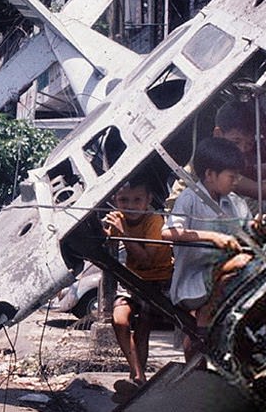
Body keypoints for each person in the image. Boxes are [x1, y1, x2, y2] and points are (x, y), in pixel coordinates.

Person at [163, 138, 255, 360]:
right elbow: (167, 233)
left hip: (221, 281)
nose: (237, 181)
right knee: (237, 264)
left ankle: (197, 366)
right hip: (191, 284)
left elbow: (249, 232)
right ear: (210, 175)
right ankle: (204, 316)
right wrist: (212, 237)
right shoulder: (190, 198)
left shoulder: (235, 202)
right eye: (231, 176)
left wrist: (256, 228)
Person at [102, 177, 173, 394]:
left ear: (148, 200)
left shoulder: (154, 221)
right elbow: (108, 248)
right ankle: (138, 376)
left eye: (137, 200)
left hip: (157, 282)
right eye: (124, 200)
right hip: (132, 281)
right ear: (115, 200)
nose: (131, 206)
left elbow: (146, 259)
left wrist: (122, 232)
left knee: (143, 329)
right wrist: (105, 233)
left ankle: (138, 379)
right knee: (119, 321)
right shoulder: (117, 220)